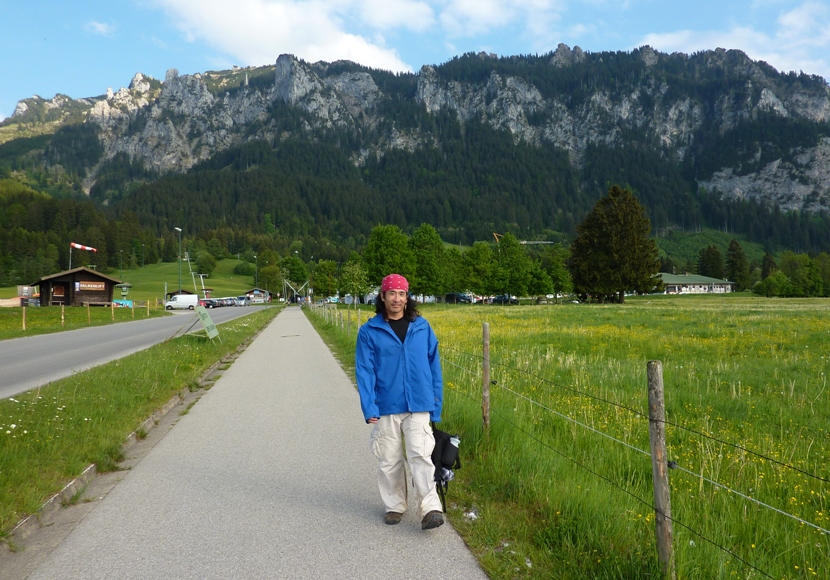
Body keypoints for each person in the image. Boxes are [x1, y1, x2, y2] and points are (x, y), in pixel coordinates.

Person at [355, 273, 444, 530]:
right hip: (386, 404)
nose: (397, 299)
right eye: (391, 293)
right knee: (389, 458)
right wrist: (369, 406)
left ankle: (430, 508)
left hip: (419, 403)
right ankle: (394, 505)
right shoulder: (369, 331)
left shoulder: (422, 327)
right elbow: (365, 370)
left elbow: (433, 366)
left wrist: (435, 403)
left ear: (408, 298)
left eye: (402, 294)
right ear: (382, 297)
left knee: (421, 455)